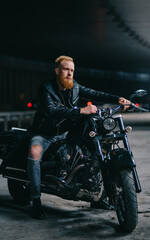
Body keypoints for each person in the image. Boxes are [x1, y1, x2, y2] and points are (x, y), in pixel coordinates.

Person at [27, 55, 130, 220]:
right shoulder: (46, 88)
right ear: (57, 71)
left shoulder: (74, 86)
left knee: (93, 147)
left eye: (72, 70)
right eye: (66, 69)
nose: (69, 73)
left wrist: (117, 98)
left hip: (65, 133)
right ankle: (35, 201)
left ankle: (97, 196)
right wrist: (80, 111)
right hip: (44, 133)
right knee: (34, 153)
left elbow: (95, 93)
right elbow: (52, 111)